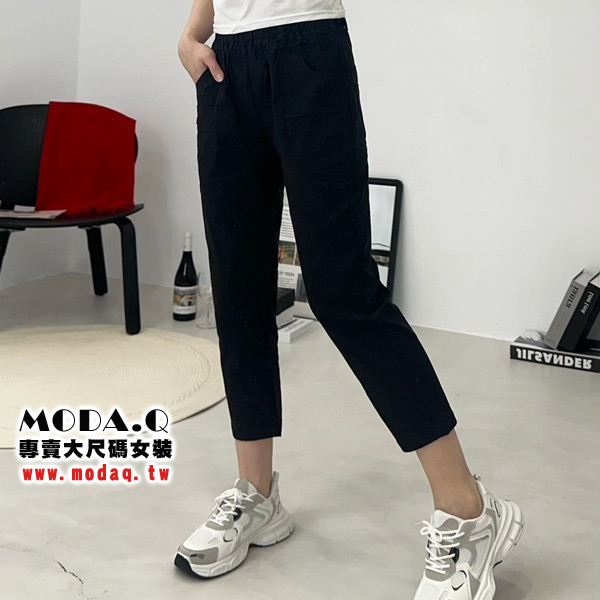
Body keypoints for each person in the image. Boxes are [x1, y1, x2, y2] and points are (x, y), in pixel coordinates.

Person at [175, 1, 525, 598]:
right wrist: (191, 34)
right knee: (236, 290)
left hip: (309, 49)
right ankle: (257, 494)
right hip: (226, 62)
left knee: (344, 291)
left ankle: (469, 510)